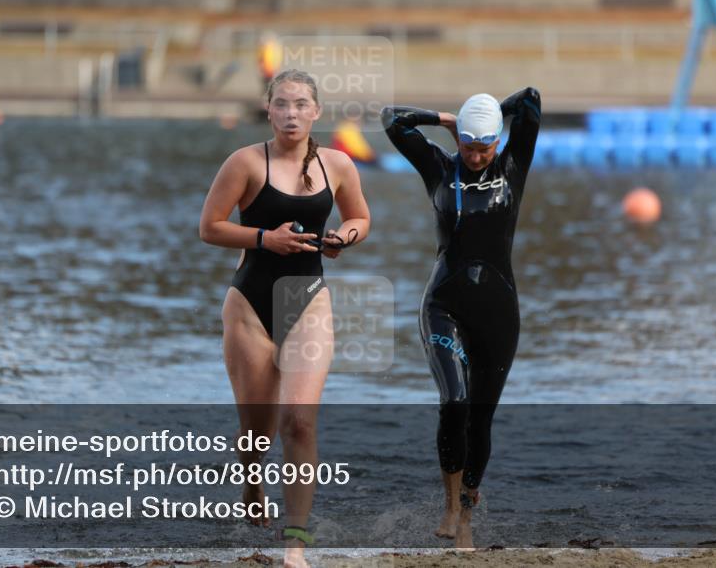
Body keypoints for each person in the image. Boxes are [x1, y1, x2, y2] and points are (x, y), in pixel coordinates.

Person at [200, 68, 371, 568]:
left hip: (309, 300)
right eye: (282, 104)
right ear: (269, 110)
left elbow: (361, 218)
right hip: (249, 306)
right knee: (258, 432)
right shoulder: (246, 162)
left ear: (316, 111)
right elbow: (209, 228)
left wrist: (344, 238)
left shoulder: (338, 165)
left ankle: (295, 543)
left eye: (301, 104)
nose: (291, 113)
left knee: (299, 422)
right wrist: (263, 239)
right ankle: (253, 482)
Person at [381, 87, 541, 549]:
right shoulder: (438, 166)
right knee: (455, 400)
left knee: (481, 418)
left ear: (496, 141)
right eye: (468, 146)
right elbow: (393, 120)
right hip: (444, 305)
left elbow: (530, 99)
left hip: (498, 310)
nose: (474, 156)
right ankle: (450, 506)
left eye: (483, 146)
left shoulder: (513, 166)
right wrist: (447, 120)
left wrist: (490, 110)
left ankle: (467, 514)